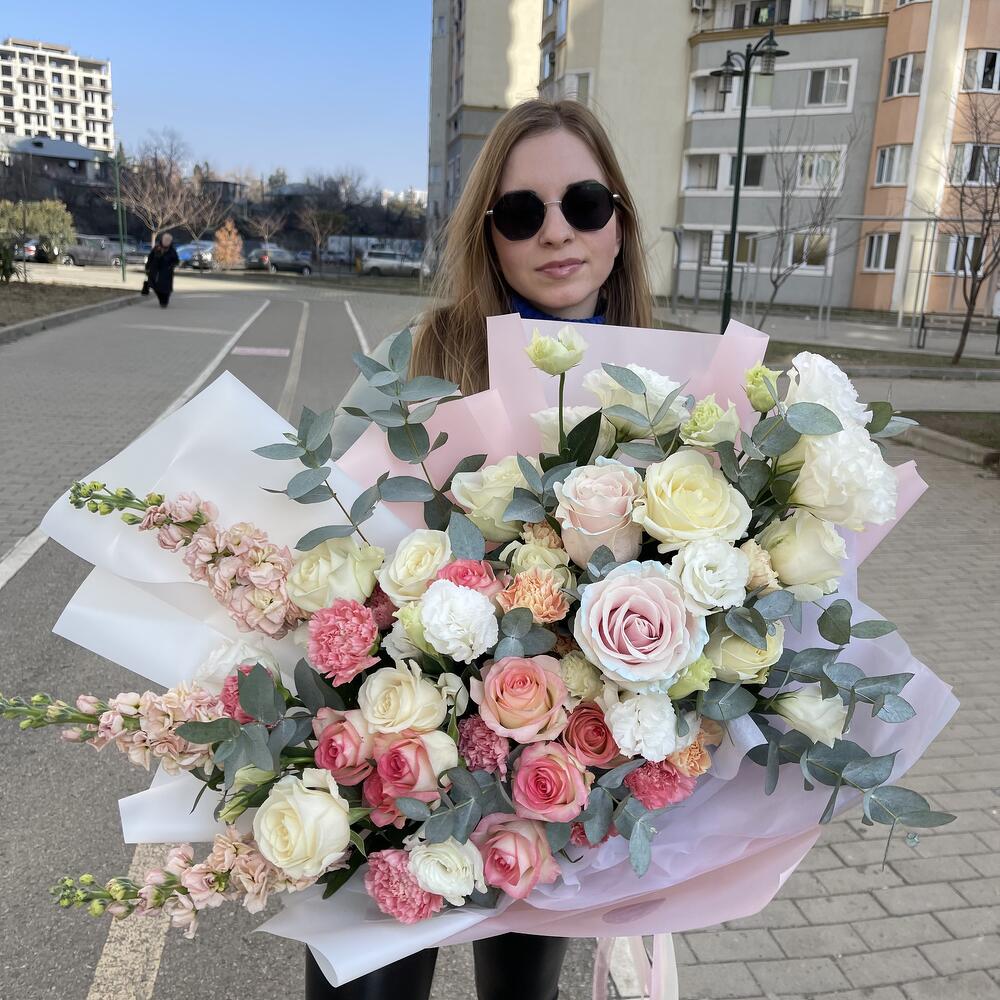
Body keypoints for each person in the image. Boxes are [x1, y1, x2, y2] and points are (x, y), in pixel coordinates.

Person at [315, 98, 653, 1000]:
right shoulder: (420, 359)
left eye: (584, 204)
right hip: (407, 749)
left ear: (620, 221)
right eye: (521, 212)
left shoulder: (661, 386)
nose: (557, 232)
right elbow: (341, 545)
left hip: (561, 764)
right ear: (488, 234)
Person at [145, 233, 179, 308]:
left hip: (167, 272)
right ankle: (161, 299)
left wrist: (171, 265)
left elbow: (176, 261)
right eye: (165, 240)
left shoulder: (172, 250)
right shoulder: (157, 248)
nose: (166, 241)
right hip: (155, 271)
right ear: (162, 240)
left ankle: (164, 301)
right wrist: (147, 267)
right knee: (155, 286)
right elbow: (150, 258)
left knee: (166, 289)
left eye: (168, 240)